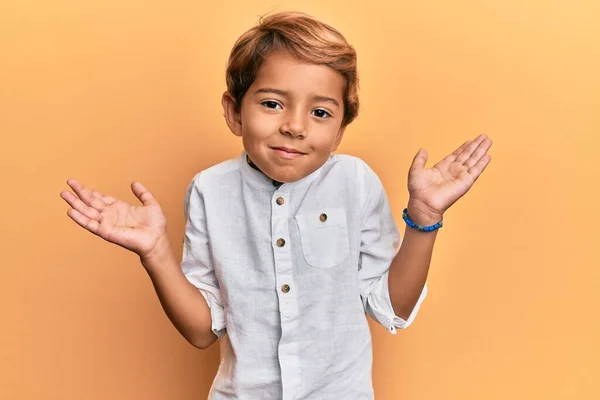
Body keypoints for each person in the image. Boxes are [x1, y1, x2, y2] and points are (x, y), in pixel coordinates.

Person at [60, 10, 492, 400]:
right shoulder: (209, 190)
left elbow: (391, 307)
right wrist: (155, 253)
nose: (295, 126)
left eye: (321, 113)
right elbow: (200, 330)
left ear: (341, 130)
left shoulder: (355, 181)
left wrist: (424, 219)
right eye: (272, 104)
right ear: (234, 112)